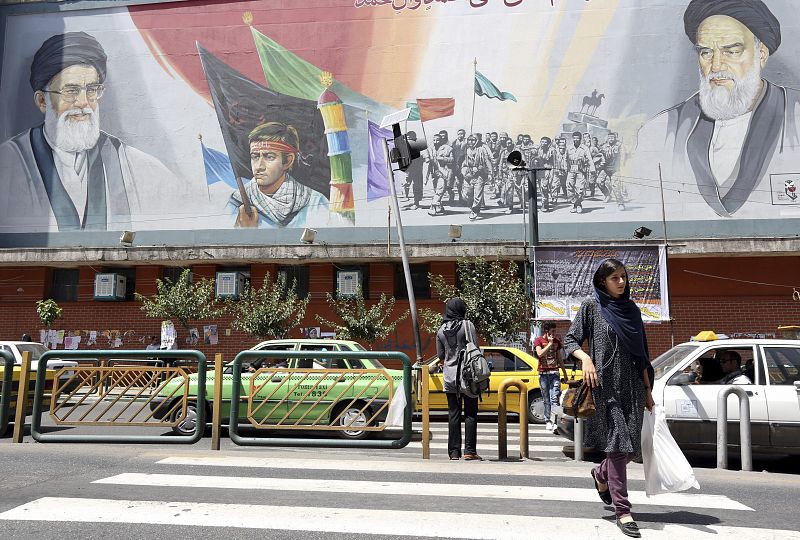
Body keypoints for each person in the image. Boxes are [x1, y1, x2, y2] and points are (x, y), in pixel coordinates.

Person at [631, 0, 800, 218]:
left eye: (731, 51)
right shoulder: (658, 133)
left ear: (762, 54)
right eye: (706, 53)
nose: (717, 66)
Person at [0, 32, 182, 233]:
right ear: (42, 101)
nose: (83, 102)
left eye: (92, 90)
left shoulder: (136, 167)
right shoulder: (8, 161)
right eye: (70, 91)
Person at [563, 258, 655, 539]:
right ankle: (623, 511)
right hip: (606, 388)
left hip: (633, 388)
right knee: (617, 447)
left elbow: (642, 354)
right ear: (603, 281)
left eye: (624, 277)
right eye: (615, 278)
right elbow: (570, 341)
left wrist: (648, 392)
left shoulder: (632, 311)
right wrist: (586, 359)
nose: (621, 282)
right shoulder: (592, 307)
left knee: (629, 451)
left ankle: (601, 475)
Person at [230, 121, 328, 228]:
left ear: (288, 161)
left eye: (269, 157)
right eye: (255, 156)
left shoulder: (315, 202)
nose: (259, 166)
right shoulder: (236, 202)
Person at [436, 297, 481, 461]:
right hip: (468, 377)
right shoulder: (467, 325)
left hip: (449, 377)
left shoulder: (441, 330)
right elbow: (475, 348)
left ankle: (454, 452)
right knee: (470, 413)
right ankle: (470, 451)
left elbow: (441, 355)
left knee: (453, 414)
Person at [534, 321, 568, 432]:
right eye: (552, 331)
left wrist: (564, 372)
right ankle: (547, 420)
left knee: (554, 398)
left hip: (554, 373)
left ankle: (554, 422)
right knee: (546, 399)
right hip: (543, 374)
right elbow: (540, 354)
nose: (554, 333)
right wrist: (549, 344)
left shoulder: (557, 341)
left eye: (555, 331)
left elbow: (559, 358)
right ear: (546, 331)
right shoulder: (538, 340)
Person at [462, 134, 493, 221]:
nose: (471, 142)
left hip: (480, 175)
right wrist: (465, 170)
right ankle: (472, 206)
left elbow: (487, 161)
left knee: (478, 195)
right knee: (467, 194)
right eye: (469, 140)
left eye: (473, 140)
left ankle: (475, 210)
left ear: (477, 141)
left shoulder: (481, 150)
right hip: (468, 175)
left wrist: (490, 173)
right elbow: (461, 163)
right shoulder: (465, 151)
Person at [565, 131, 595, 214]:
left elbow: (589, 159)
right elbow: (565, 159)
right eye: (574, 138)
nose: (576, 140)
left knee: (580, 189)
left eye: (577, 138)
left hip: (581, 170)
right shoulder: (569, 147)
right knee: (569, 187)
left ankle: (578, 205)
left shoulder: (585, 148)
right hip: (571, 169)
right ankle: (576, 203)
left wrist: (592, 169)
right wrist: (565, 168)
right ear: (572, 138)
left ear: (580, 139)